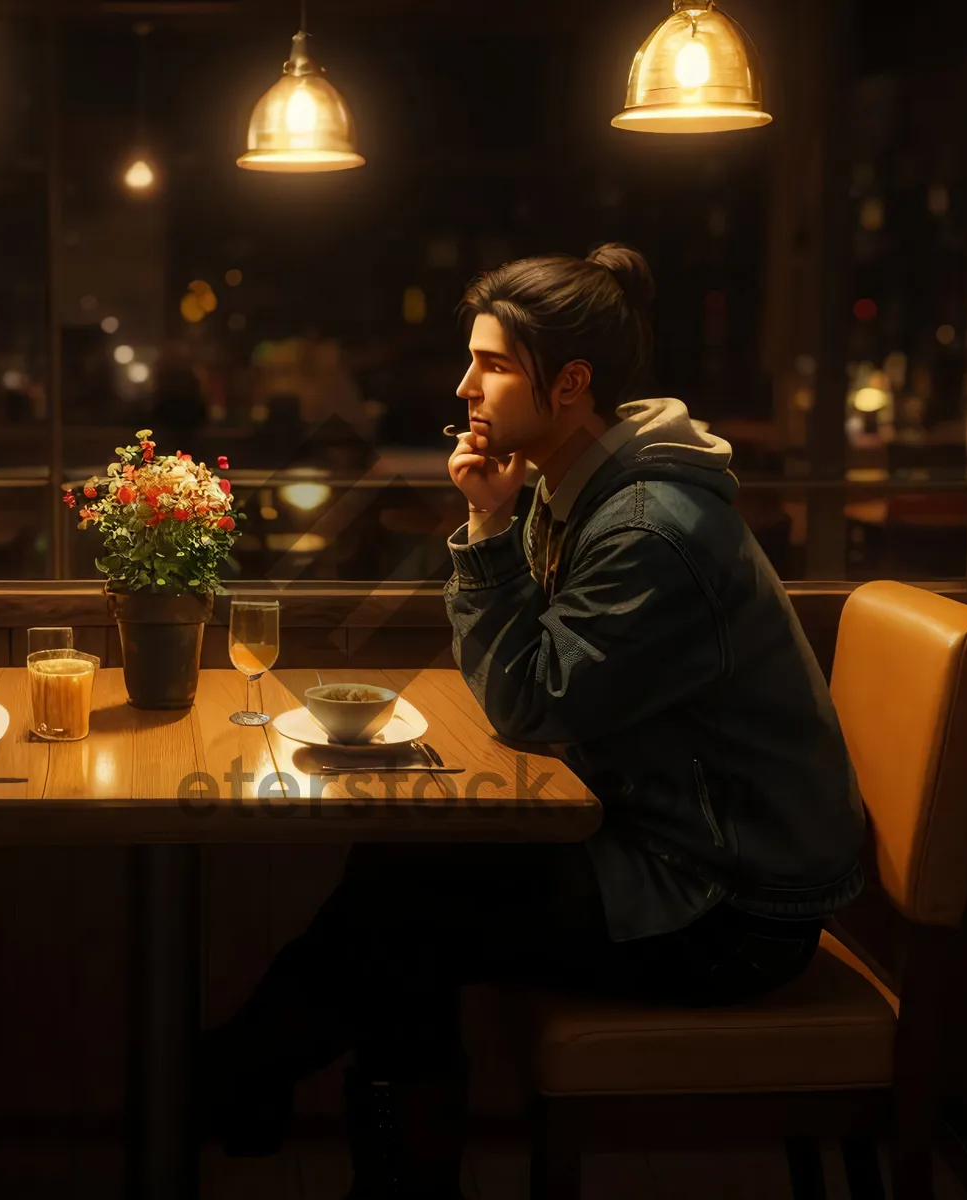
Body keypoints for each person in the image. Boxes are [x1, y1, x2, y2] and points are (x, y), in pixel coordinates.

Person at [199, 243, 866, 1199]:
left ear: (572, 385)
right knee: (396, 878)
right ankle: (254, 1089)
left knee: (403, 909)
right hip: (671, 848)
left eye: (494, 364)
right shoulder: (579, 486)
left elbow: (527, 702)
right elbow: (536, 691)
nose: (465, 385)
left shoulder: (647, 529)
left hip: (731, 904)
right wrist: (495, 523)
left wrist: (482, 535)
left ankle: (239, 1083)